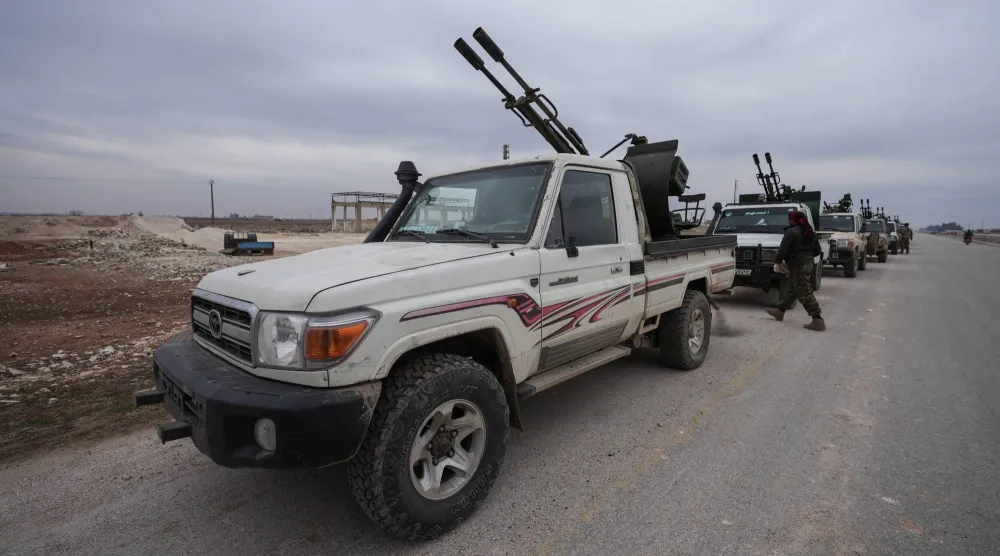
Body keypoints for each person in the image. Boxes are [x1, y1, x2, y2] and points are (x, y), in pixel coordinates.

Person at [766, 210, 826, 331]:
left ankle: (817, 319)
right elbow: (817, 251)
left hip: (797, 264)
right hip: (808, 264)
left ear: (793, 220)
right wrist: (807, 256)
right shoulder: (810, 232)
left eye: (789, 219)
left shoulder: (791, 232)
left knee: (804, 291)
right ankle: (780, 311)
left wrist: (777, 262)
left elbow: (782, 250)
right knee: (793, 289)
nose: (788, 221)